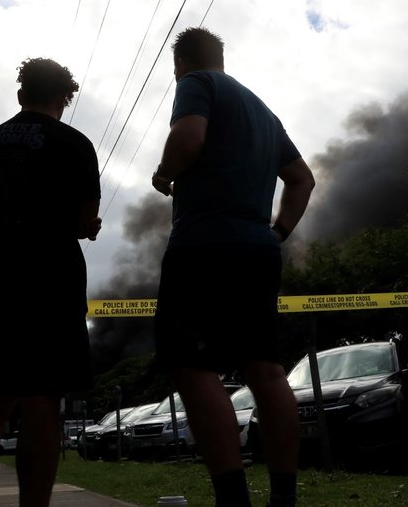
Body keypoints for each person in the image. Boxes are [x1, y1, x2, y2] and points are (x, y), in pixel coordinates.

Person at [151, 27, 315, 507]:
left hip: (203, 246)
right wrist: (278, 231)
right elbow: (302, 180)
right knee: (265, 370)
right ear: (223, 57)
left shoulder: (196, 82)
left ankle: (233, 499)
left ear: (179, 63)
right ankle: (284, 497)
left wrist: (164, 173)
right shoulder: (263, 111)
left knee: (192, 366)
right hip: (256, 251)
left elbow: (188, 137)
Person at [0, 57, 102, 507]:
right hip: (49, 283)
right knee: (41, 403)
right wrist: (86, 226)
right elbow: (82, 221)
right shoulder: (74, 143)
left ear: (21, 95)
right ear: (64, 99)